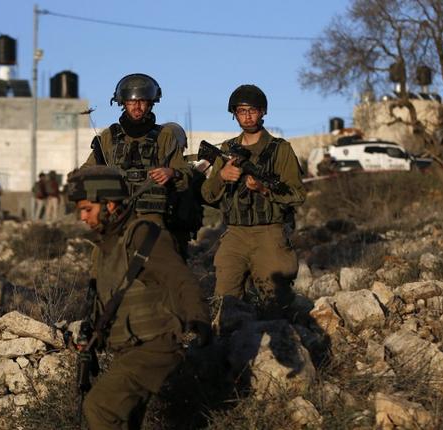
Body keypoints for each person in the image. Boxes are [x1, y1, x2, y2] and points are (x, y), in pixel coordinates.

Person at [66, 165, 210, 429]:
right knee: (126, 420)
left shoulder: (142, 234)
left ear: (109, 205)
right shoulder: (105, 246)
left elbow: (181, 278)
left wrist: (198, 318)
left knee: (100, 407)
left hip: (156, 345)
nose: (83, 217)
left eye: (88, 209)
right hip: (129, 348)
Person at [201, 84, 306, 319]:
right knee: (225, 301)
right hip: (235, 233)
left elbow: (298, 194)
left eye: (252, 110)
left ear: (263, 112)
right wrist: (221, 176)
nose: (247, 116)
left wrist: (264, 188)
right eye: (241, 111)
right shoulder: (227, 150)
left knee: (277, 304)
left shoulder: (281, 150)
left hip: (269, 232)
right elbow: (207, 195)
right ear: (234, 114)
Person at [81, 73, 192, 250]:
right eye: (132, 101)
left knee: (157, 263)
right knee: (103, 267)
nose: (137, 106)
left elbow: (186, 175)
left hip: (152, 217)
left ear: (151, 103)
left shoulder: (165, 136)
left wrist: (171, 173)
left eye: (142, 101)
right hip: (116, 215)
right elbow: (87, 172)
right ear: (123, 103)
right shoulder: (109, 136)